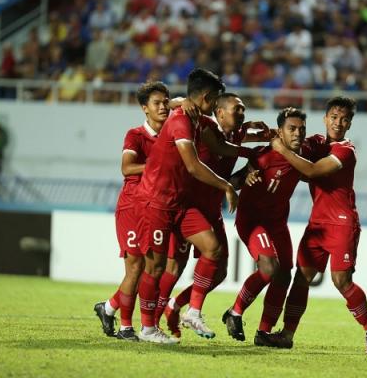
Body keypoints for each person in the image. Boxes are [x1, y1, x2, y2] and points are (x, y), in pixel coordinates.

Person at [269, 96, 367, 354]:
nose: (338, 123)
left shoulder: (346, 150)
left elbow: (310, 171)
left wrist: (282, 150)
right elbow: (294, 145)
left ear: (350, 124)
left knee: (341, 280)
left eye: (344, 119)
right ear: (325, 119)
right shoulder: (316, 143)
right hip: (317, 223)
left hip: (342, 223)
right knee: (302, 278)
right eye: (334, 117)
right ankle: (287, 334)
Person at [154, 93, 274, 338]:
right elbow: (170, 105)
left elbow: (230, 176)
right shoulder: (204, 125)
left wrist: (247, 174)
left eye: (243, 110)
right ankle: (152, 321)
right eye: (236, 109)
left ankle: (177, 306)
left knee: (219, 272)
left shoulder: (237, 135)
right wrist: (180, 100)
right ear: (219, 112)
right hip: (188, 206)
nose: (242, 114)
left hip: (211, 209)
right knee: (175, 266)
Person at [134, 68, 240, 341]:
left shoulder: (197, 120)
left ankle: (192, 311)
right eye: (215, 99)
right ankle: (146, 327)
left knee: (212, 249)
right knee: (156, 268)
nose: (217, 104)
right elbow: (193, 166)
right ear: (206, 96)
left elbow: (220, 146)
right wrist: (227, 185)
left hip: (181, 203)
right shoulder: (181, 121)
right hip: (157, 201)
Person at [93, 80, 189, 343]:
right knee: (135, 267)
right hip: (133, 206)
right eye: (156, 103)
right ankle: (125, 327)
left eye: (165, 103)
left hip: (157, 207)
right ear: (144, 108)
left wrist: (176, 103)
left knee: (150, 268)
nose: (162, 107)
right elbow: (127, 167)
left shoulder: (173, 133)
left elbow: (184, 104)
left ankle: (109, 307)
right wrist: (158, 165)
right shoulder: (136, 135)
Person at [222, 107, 308, 346]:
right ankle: (235, 312)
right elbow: (233, 181)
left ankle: (263, 332)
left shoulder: (304, 153)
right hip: (253, 221)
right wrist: (245, 178)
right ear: (279, 132)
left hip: (278, 223)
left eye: (301, 129)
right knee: (269, 267)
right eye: (291, 129)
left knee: (283, 275)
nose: (297, 134)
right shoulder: (264, 155)